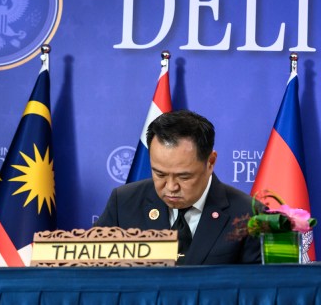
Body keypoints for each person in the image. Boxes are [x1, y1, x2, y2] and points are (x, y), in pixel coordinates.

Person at [95, 110, 262, 265]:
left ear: (210, 162)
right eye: (160, 174)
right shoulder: (124, 202)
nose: (171, 187)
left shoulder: (249, 215)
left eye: (184, 177)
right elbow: (91, 271)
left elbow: (258, 290)